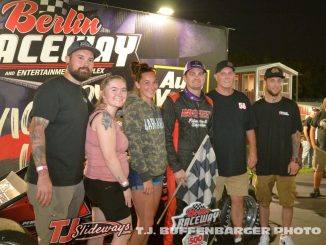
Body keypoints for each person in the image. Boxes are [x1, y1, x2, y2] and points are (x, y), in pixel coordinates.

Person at [25, 40, 100, 244]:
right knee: (51, 239)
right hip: (52, 182)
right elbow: (36, 129)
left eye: (91, 60)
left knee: (66, 237)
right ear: (67, 59)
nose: (86, 63)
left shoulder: (81, 92)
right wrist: (43, 175)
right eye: (80, 57)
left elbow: (97, 121)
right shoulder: (52, 88)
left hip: (74, 180)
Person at [162, 60, 213, 245]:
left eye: (200, 74)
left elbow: (210, 137)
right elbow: (165, 137)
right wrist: (176, 168)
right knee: (175, 214)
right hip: (179, 166)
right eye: (192, 74)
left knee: (197, 213)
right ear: (184, 77)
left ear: (205, 78)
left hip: (201, 167)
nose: (196, 77)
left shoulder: (209, 103)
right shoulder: (174, 100)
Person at [207, 60, 257, 245]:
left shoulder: (242, 99)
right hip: (214, 164)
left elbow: (250, 128)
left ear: (234, 76)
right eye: (223, 73)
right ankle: (208, 238)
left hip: (237, 163)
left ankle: (238, 238)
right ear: (216, 76)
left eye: (230, 73)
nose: (227, 76)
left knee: (238, 202)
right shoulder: (208, 99)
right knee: (211, 205)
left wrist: (253, 152)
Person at [253, 67, 302, 245]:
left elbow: (296, 135)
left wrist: (295, 160)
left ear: (282, 83)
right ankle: (265, 234)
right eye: (272, 80)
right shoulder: (256, 108)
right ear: (265, 82)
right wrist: (252, 157)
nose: (276, 84)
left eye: (279, 80)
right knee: (263, 202)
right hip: (263, 165)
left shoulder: (290, 106)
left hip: (285, 165)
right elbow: (251, 135)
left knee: (287, 202)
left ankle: (286, 235)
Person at [84, 75, 132, 245]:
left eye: (123, 90)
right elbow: (110, 158)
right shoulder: (104, 118)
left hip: (97, 182)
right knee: (124, 231)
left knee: (99, 231)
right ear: (103, 94)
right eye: (114, 89)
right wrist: (125, 185)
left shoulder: (108, 117)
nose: (120, 93)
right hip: (107, 184)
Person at [123, 62, 167, 245]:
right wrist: (145, 176)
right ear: (138, 85)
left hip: (157, 174)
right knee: (144, 224)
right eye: (146, 82)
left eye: (154, 82)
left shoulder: (156, 109)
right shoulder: (134, 108)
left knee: (149, 225)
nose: (151, 86)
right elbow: (134, 147)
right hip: (143, 176)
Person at [310, 97, 326, 197]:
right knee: (318, 170)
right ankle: (316, 190)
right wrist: (313, 144)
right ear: (324, 104)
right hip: (320, 148)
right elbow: (312, 129)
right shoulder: (319, 114)